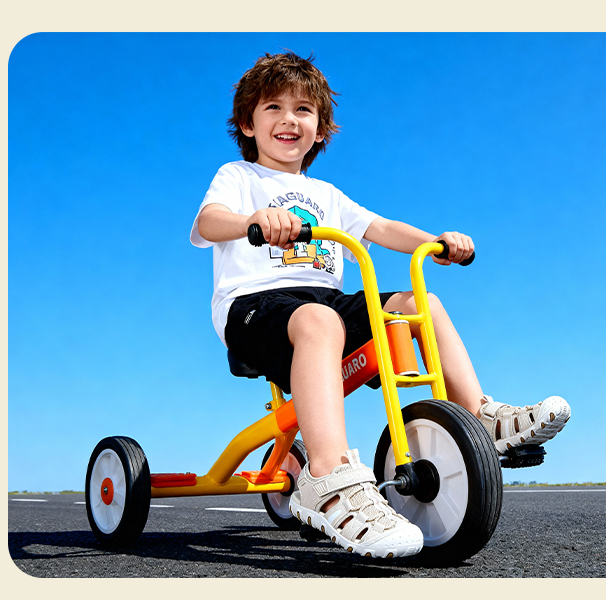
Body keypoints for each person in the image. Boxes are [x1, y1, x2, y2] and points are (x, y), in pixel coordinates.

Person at [189, 52, 571, 558]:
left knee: (420, 302)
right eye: (273, 108)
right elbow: (208, 223)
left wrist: (434, 241)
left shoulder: (326, 193)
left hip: (326, 303)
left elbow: (381, 229)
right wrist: (253, 221)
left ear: (321, 129)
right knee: (319, 319)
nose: (289, 120)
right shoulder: (239, 177)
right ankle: (326, 475)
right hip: (255, 309)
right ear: (247, 123)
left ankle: (480, 416)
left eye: (304, 110)